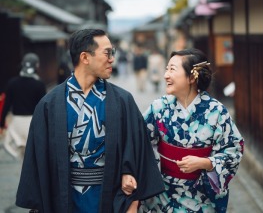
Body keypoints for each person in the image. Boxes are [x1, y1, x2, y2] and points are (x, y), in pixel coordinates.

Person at [16, 29, 164, 213]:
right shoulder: (49, 104)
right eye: (107, 53)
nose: (112, 59)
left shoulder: (122, 101)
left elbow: (137, 150)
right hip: (64, 196)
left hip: (110, 196)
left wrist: (132, 197)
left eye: (113, 53)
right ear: (85, 57)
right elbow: (37, 159)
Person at [139, 48, 244, 212]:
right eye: (166, 69)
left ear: (192, 77)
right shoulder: (159, 108)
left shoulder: (216, 111)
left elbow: (234, 149)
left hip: (201, 196)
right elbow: (137, 141)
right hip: (163, 196)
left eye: (172, 69)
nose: (166, 75)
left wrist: (207, 163)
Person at [0, 53, 46, 159]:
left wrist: (1, 124)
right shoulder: (39, 84)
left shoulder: (12, 83)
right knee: (33, 157)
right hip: (33, 122)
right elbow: (43, 107)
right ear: (36, 66)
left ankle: (23, 175)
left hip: (17, 123)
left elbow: (6, 105)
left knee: (22, 157)